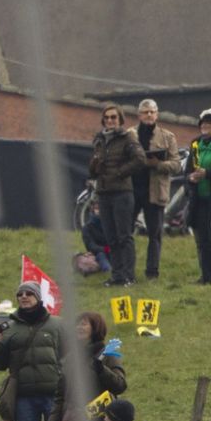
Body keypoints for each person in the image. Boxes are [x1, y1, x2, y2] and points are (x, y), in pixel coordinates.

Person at [0, 280, 65, 421]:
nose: (24, 297)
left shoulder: (57, 325)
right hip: (23, 397)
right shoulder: (9, 328)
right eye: (20, 294)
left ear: (38, 296)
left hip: (55, 395)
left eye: (28, 293)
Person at [90, 102, 144, 286]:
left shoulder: (127, 137)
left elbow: (140, 159)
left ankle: (129, 276)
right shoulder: (98, 139)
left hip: (122, 192)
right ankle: (117, 276)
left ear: (120, 119)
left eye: (114, 117)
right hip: (104, 193)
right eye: (107, 117)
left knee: (124, 236)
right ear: (103, 120)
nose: (110, 120)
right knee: (111, 237)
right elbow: (93, 167)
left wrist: (121, 173)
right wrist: (94, 167)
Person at [132, 98, 180, 279]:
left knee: (155, 233)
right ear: (139, 115)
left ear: (157, 114)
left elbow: (176, 165)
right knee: (126, 233)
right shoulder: (130, 135)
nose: (149, 115)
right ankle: (126, 270)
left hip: (155, 191)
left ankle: (152, 272)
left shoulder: (168, 137)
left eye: (152, 111)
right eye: (145, 112)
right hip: (132, 190)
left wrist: (158, 164)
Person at [185, 109, 211, 284]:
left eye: (209, 123)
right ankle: (206, 276)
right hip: (199, 200)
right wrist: (191, 178)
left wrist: (207, 173)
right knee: (203, 240)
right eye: (203, 123)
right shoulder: (195, 144)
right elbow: (189, 169)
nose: (205, 126)